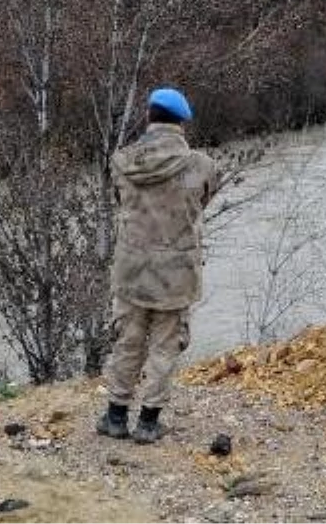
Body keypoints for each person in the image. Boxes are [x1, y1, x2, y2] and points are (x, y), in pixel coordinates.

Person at [96, 87, 219, 444]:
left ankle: (115, 417)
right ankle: (149, 423)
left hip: (132, 270)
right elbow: (202, 203)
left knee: (127, 343)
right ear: (182, 122)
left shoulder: (121, 161)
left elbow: (122, 201)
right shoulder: (203, 166)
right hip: (176, 274)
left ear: (149, 116)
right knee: (165, 347)